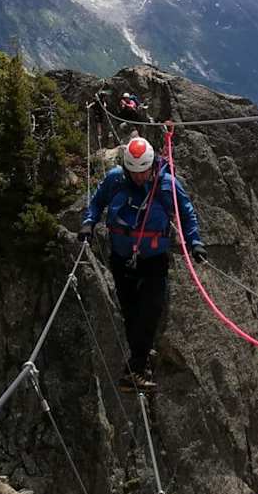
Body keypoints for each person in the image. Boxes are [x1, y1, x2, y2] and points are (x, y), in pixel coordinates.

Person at [80, 133, 205, 392]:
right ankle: (139, 360)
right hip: (122, 257)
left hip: (154, 258)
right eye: (134, 172)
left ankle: (135, 369)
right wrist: (88, 223)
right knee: (129, 311)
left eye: (143, 172)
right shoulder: (115, 179)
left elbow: (186, 212)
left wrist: (195, 243)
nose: (139, 177)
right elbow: (96, 202)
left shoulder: (167, 184)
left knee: (150, 310)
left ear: (151, 166)